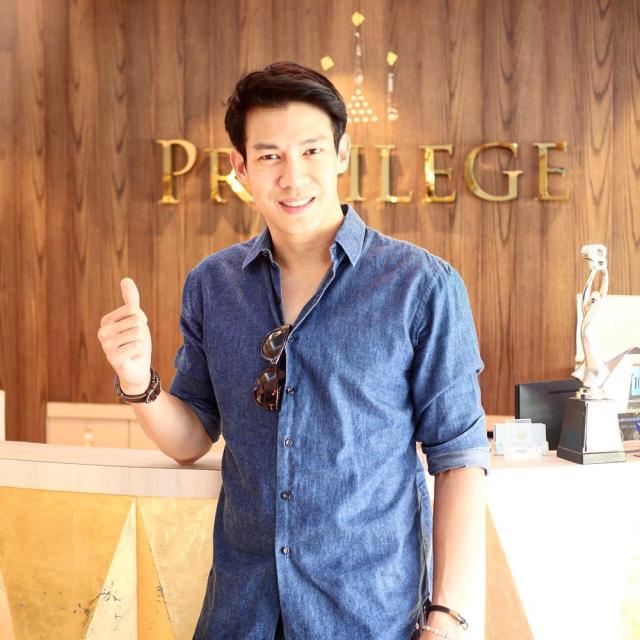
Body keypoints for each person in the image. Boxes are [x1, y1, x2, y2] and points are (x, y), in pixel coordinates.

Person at [98, 61, 489, 640]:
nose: (292, 176)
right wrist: (137, 378)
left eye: (310, 151)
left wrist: (447, 619)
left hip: (370, 617)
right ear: (240, 167)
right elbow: (191, 438)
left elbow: (459, 457)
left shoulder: (420, 285)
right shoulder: (212, 285)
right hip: (241, 616)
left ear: (341, 155)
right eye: (270, 156)